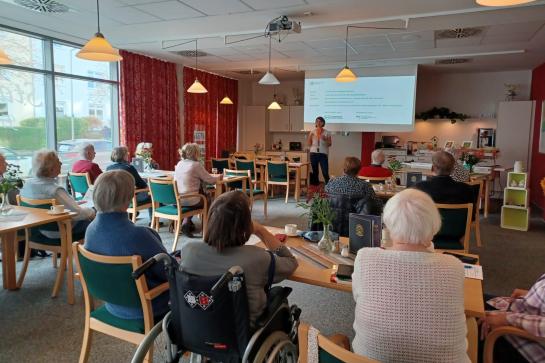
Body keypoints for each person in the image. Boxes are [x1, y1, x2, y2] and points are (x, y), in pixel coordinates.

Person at [352, 188, 469, 363]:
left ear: (389, 224)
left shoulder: (365, 258)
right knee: (472, 325)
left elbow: (358, 297)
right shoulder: (454, 266)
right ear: (433, 226)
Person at [180, 191, 298, 327]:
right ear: (246, 225)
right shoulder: (257, 258)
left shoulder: (188, 251)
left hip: (199, 325)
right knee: (278, 295)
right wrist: (261, 231)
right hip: (243, 333)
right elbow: (291, 261)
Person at [85, 170, 170, 320]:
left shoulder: (90, 230)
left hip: (112, 303)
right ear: (129, 198)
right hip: (147, 307)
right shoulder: (140, 235)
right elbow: (169, 273)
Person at [20, 150, 95, 239]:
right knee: (99, 221)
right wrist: (93, 211)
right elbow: (78, 214)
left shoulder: (27, 186)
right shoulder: (55, 190)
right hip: (60, 231)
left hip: (36, 231)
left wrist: (73, 204)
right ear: (51, 168)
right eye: (58, 161)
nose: (61, 163)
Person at [481, 274, 545, 363]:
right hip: (520, 311)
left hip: (530, 343)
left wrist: (507, 319)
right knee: (475, 297)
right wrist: (530, 293)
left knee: (470, 319)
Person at [324, 157, 383, 236]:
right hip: (356, 230)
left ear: (344, 169)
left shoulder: (331, 183)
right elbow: (377, 206)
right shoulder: (365, 186)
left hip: (332, 227)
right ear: (359, 170)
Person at [174, 143, 219, 238]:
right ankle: (206, 229)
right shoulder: (196, 165)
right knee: (208, 200)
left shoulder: (179, 164)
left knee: (195, 197)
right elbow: (210, 180)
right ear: (195, 153)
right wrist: (220, 176)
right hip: (190, 200)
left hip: (177, 199)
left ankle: (186, 223)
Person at [307, 116, 332, 185]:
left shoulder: (327, 132)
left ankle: (329, 187)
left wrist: (325, 139)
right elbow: (309, 144)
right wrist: (310, 136)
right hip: (313, 153)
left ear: (323, 123)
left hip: (323, 154)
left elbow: (330, 144)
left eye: (320, 121)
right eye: (317, 121)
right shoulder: (312, 132)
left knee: (325, 172)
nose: (318, 123)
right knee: (315, 172)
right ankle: (316, 188)